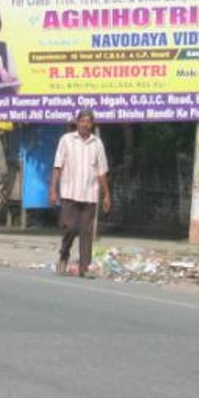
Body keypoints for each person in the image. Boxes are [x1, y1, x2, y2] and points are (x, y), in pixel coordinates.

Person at [49, 108, 112, 278]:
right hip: (69, 192)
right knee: (70, 227)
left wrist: (106, 194)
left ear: (92, 124)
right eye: (82, 121)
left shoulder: (97, 143)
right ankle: (64, 254)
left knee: (86, 232)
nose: (85, 124)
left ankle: (84, 267)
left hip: (90, 194)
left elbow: (101, 171)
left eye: (88, 121)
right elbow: (57, 166)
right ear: (77, 122)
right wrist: (53, 189)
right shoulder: (66, 140)